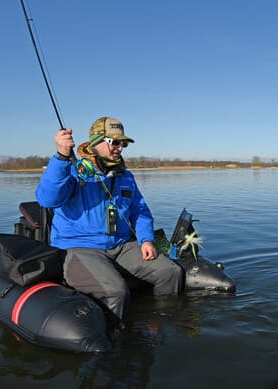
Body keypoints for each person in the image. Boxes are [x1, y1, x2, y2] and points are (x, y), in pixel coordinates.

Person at [36, 116, 183, 327]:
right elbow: (47, 199)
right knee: (115, 292)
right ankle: (115, 346)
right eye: (115, 142)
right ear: (96, 141)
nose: (120, 148)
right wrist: (61, 156)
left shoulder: (126, 176)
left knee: (170, 272)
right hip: (78, 248)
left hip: (120, 245)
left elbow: (140, 211)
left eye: (123, 143)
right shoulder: (71, 170)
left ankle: (158, 323)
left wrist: (147, 240)